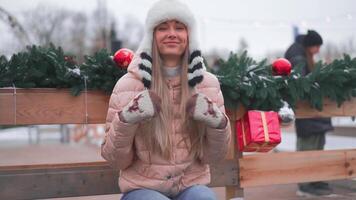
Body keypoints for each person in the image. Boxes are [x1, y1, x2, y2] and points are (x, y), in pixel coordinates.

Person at [101, 0, 231, 199]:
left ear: (189, 36)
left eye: (179, 27)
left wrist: (218, 123)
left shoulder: (208, 84)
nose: (172, 33)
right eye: (163, 28)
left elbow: (213, 157)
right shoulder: (128, 85)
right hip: (142, 188)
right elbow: (116, 161)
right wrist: (127, 119)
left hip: (190, 185)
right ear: (152, 36)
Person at [284, 30, 334, 197]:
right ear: (310, 45)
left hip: (313, 112)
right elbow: (302, 83)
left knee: (317, 145)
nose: (318, 50)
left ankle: (315, 178)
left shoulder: (301, 54)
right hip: (307, 111)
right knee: (308, 146)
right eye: (317, 46)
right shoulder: (298, 57)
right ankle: (306, 182)